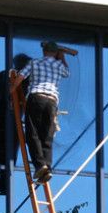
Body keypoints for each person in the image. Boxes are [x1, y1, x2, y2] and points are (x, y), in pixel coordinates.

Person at [10, 40, 78, 183]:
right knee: (47, 135)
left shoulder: (35, 63)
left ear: (44, 51)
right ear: (55, 52)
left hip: (36, 97)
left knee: (32, 132)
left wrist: (12, 90)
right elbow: (66, 73)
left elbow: (21, 77)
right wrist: (62, 56)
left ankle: (40, 165)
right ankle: (47, 166)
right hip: (52, 101)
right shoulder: (59, 65)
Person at [0, 53, 32, 193]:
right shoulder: (26, 79)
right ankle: (3, 184)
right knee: (10, 152)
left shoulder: (5, 74)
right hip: (13, 116)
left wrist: (1, 92)